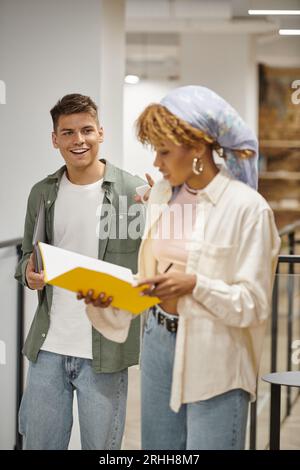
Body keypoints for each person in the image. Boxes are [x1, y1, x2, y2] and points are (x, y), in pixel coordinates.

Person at [80, 86, 281, 450]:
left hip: (216, 353)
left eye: (164, 151)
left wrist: (195, 285)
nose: (156, 162)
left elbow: (254, 304)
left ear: (198, 149)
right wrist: (109, 298)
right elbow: (153, 280)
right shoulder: (162, 197)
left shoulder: (248, 210)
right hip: (158, 342)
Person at [15, 93, 145, 450]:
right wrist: (28, 273)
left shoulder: (132, 192)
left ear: (101, 133)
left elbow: (150, 269)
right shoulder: (42, 193)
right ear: (55, 139)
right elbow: (27, 255)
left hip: (103, 352)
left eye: (87, 130)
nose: (79, 140)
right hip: (48, 347)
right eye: (68, 132)